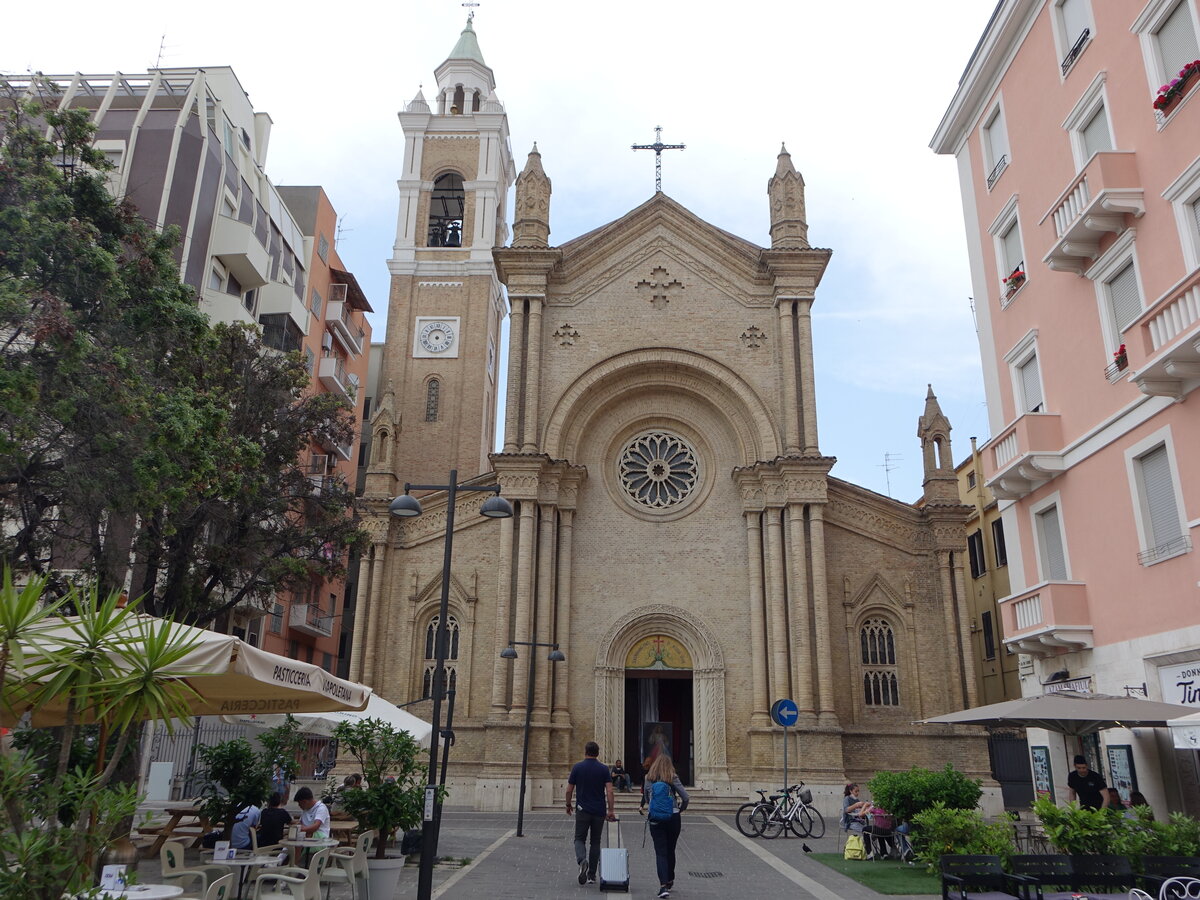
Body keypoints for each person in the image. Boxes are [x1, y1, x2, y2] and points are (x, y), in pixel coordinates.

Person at [565, 741, 616, 886]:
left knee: (579, 839)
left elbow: (569, 790)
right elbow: (610, 791)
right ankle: (592, 875)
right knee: (595, 842)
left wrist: (568, 805)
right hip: (599, 811)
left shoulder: (577, 767)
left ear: (585, 752)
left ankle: (582, 861)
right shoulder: (604, 769)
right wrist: (611, 810)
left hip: (582, 810)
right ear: (598, 753)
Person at [639, 753, 689, 899]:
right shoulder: (672, 777)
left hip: (656, 818)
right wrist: (680, 809)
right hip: (673, 816)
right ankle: (670, 879)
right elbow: (685, 797)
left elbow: (648, 798)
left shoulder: (648, 778)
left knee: (660, 851)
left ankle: (663, 886)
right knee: (670, 849)